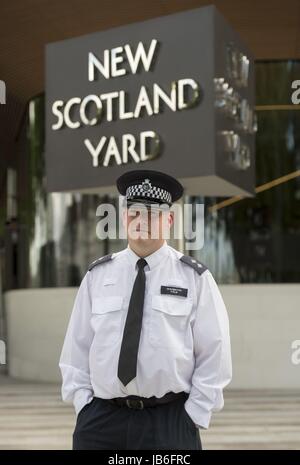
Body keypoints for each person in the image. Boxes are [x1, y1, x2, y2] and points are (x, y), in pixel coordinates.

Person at [59, 169, 232, 450]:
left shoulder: (194, 279)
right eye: (135, 211)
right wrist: (83, 405)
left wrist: (194, 415)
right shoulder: (97, 276)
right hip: (101, 422)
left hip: (169, 423)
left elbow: (215, 351)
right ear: (124, 216)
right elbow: (76, 349)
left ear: (170, 219)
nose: (143, 220)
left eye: (153, 213)